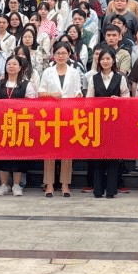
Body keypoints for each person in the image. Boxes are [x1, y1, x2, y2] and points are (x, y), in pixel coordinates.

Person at [38, 41, 84, 198]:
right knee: (49, 150)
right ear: (53, 55)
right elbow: (40, 93)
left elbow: (78, 91)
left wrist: (78, 96)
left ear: (69, 54)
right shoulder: (47, 72)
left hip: (68, 115)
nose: (61, 56)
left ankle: (65, 184)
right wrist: (52, 95)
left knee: (67, 151)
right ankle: (49, 184)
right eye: (58, 53)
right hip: (51, 115)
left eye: (64, 53)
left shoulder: (74, 72)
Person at [0, 54, 37, 196]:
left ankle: (17, 185)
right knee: (2, 154)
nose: (11, 66)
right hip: (2, 124)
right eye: (9, 64)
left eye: (14, 64)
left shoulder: (27, 84)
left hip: (20, 125)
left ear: (20, 67)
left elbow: (31, 105)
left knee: (18, 154)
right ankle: (4, 184)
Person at [86, 48, 129, 199]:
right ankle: (98, 190)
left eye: (108, 59)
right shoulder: (93, 78)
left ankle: (111, 190)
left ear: (113, 61)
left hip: (115, 122)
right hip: (97, 121)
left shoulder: (120, 78)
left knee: (113, 156)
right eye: (103, 59)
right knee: (97, 157)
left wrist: (119, 100)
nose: (105, 61)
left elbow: (126, 97)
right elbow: (89, 100)